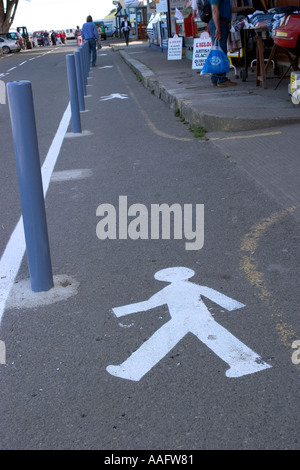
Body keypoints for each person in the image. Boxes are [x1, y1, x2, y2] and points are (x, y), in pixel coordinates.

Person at [208, 0, 254, 87]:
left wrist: (244, 8)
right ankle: (221, 79)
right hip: (219, 23)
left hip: (221, 23)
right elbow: (214, 9)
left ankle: (215, 78)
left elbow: (228, 9)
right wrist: (218, 28)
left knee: (217, 51)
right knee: (221, 51)